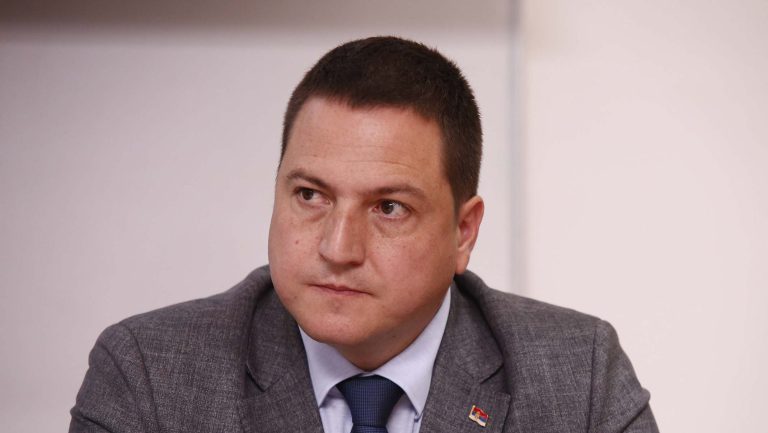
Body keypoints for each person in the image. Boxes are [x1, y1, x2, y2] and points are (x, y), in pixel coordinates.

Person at [70, 36, 658, 433]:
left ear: (463, 231)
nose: (337, 248)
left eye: (389, 208)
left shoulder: (578, 376)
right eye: (310, 195)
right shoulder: (150, 375)